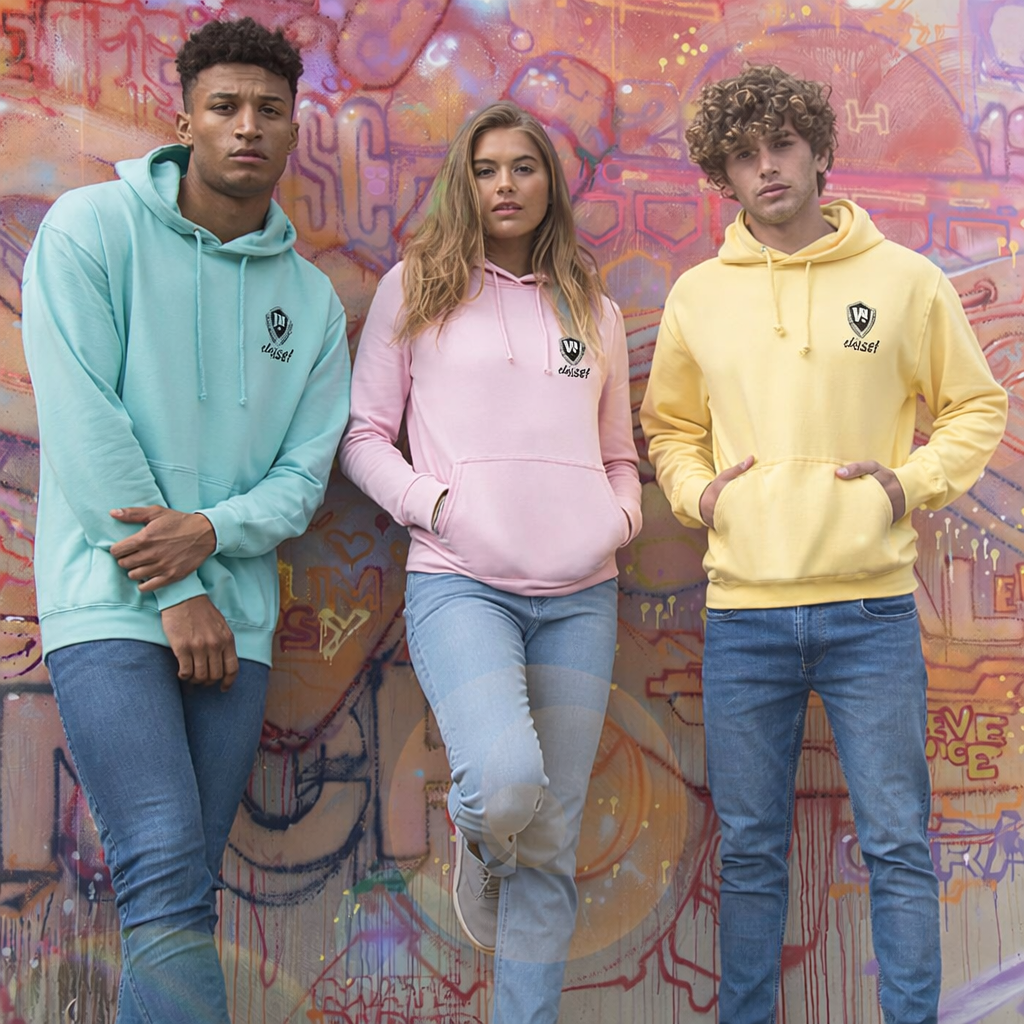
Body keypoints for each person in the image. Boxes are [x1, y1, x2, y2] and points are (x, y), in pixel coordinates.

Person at [641, 64, 1006, 1024]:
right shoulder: (698, 297)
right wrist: (698, 494)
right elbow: (669, 427)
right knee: (751, 853)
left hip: (871, 614)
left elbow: (976, 405)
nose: (766, 167)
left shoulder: (906, 282)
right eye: (743, 156)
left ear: (818, 151)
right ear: (723, 175)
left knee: (896, 844)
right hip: (745, 617)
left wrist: (909, 483)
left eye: (782, 146)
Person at [20, 18, 351, 1024]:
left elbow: (302, 478)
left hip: (235, 624)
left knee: (179, 890)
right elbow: (85, 428)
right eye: (225, 106)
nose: (248, 126)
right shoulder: (90, 230)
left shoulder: (312, 303)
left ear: (292, 129)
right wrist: (177, 590)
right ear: (185, 120)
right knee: (163, 862)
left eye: (269, 109)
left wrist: (207, 538)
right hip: (111, 603)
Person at [339, 100, 641, 1024]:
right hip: (462, 582)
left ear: (550, 183)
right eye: (485, 169)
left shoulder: (594, 310)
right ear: (462, 184)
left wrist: (619, 518)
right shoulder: (416, 288)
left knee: (551, 843)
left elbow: (619, 454)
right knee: (507, 786)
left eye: (523, 166)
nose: (505, 184)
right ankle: (478, 840)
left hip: (581, 595)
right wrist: (434, 506)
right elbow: (363, 436)